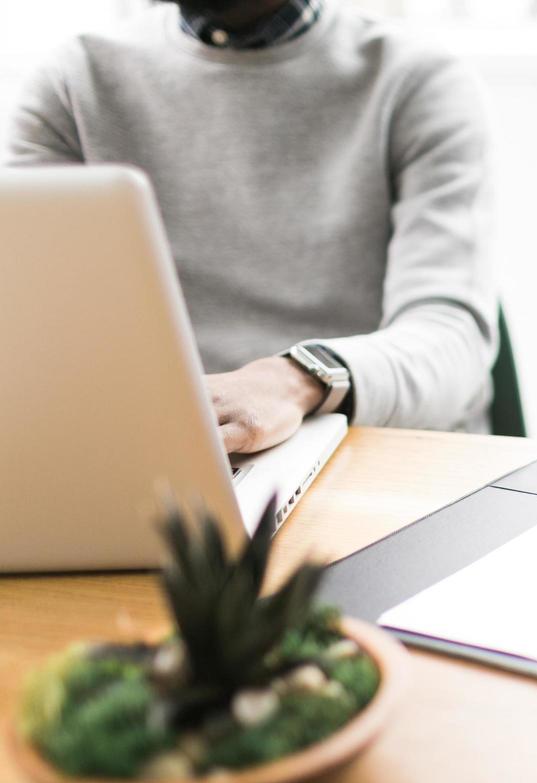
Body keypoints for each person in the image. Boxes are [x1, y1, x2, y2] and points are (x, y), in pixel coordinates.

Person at [6, 0, 497, 453]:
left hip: (376, 452)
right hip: (172, 454)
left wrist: (299, 380)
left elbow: (454, 341)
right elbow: (36, 329)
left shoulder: (416, 79)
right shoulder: (74, 81)